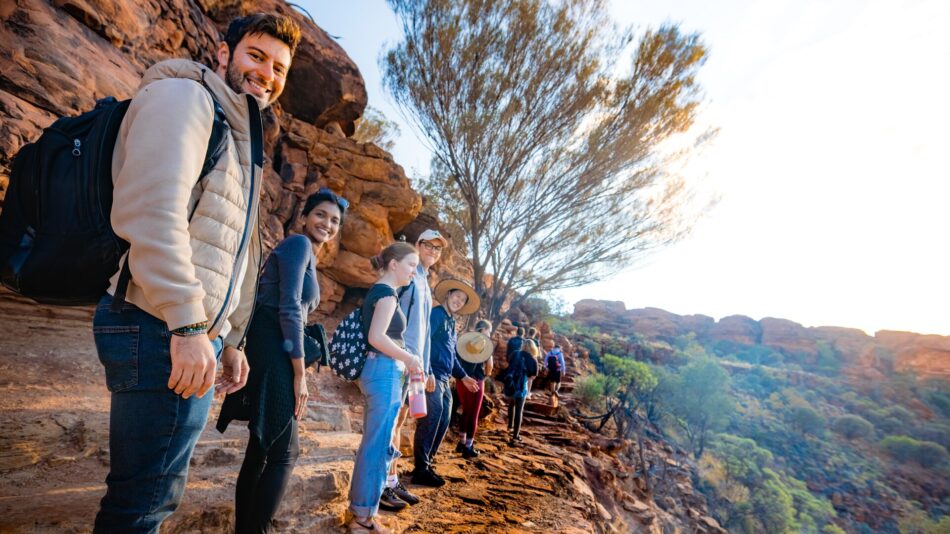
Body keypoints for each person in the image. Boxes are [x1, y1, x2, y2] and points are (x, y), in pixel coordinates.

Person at [90, 13, 300, 532]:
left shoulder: (240, 134)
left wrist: (229, 337)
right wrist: (187, 325)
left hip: (182, 330)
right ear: (225, 54)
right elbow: (151, 212)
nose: (267, 74)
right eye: (256, 56)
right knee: (142, 505)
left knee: (151, 496)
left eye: (279, 68)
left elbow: (231, 251)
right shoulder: (186, 99)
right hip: (157, 324)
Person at [216, 189, 346, 533]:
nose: (327, 224)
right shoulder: (298, 245)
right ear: (304, 217)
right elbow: (289, 308)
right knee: (286, 453)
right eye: (320, 215)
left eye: (334, 220)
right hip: (272, 345)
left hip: (272, 342)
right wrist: (299, 374)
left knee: (260, 449)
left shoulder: (307, 255)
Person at [349, 242, 425, 534]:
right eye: (410, 265)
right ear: (393, 264)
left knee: (375, 443)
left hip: (378, 371)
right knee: (378, 445)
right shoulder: (387, 294)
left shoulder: (379, 291)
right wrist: (410, 357)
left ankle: (363, 511)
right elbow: (377, 337)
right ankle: (363, 518)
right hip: (383, 371)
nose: (413, 272)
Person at [378, 229, 447, 511]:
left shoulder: (424, 281)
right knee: (391, 422)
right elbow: (392, 317)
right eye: (428, 245)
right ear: (417, 246)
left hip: (417, 365)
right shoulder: (408, 275)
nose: (433, 250)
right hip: (401, 359)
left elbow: (426, 331)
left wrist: (427, 368)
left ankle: (392, 480)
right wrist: (401, 355)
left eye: (438, 248)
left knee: (402, 419)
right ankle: (382, 483)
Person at [411, 280, 480, 487]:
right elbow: (423, 342)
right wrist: (427, 371)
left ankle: (428, 463)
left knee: (443, 421)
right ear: (448, 295)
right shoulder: (438, 314)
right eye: (456, 296)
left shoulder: (451, 321)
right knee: (430, 419)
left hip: (445, 378)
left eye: (463, 299)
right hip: (431, 376)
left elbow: (451, 355)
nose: (458, 301)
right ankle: (420, 469)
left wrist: (464, 376)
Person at [455, 320, 494, 459]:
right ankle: (468, 446)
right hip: (476, 380)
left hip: (461, 380)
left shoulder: (464, 342)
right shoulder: (483, 344)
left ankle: (461, 442)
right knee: (473, 415)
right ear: (483, 329)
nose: (489, 334)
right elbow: (489, 368)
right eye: (489, 331)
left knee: (466, 411)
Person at [504, 348, 538, 446]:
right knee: (519, 410)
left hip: (511, 384)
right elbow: (533, 375)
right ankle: (515, 435)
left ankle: (510, 426)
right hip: (522, 385)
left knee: (511, 404)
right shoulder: (532, 359)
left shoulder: (515, 353)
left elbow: (509, 362)